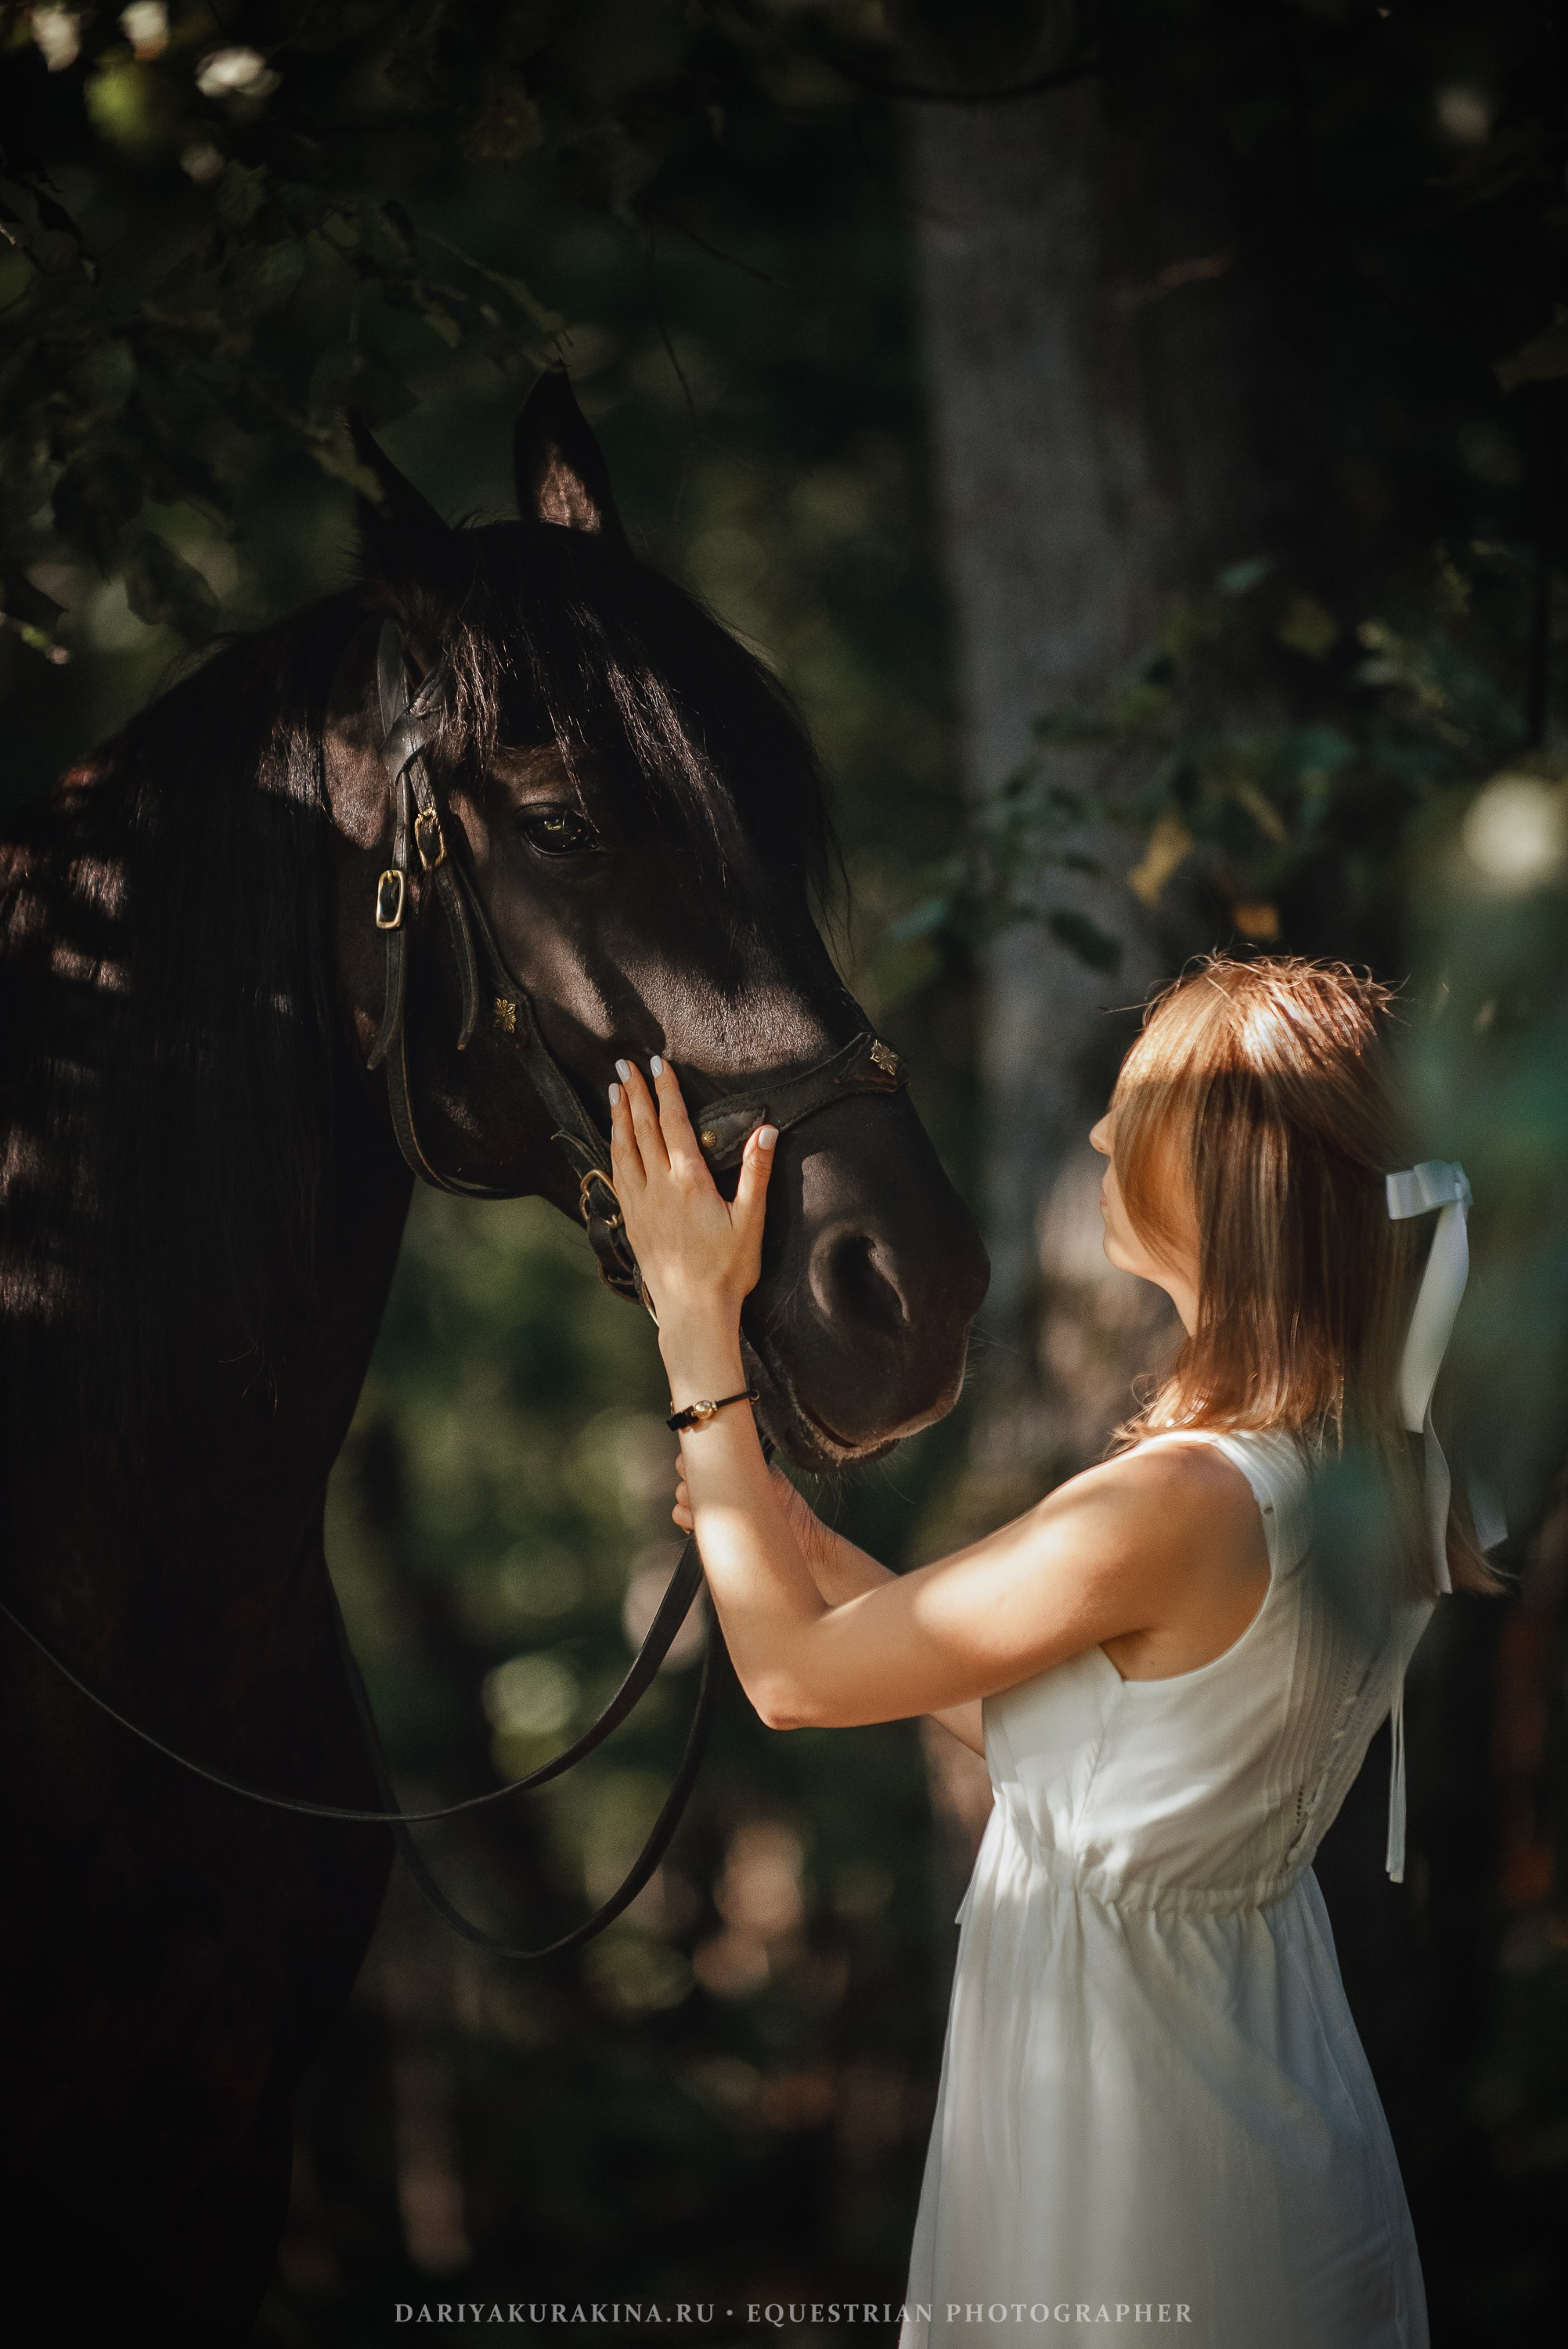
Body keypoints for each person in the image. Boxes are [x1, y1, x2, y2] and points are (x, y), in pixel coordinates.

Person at [605, 953, 1496, 2349]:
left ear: (1228, 1177)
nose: (1094, 1136)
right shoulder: (1369, 1467)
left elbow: (788, 1683)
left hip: (1135, 2135)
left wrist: (691, 1328)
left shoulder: (1180, 1501)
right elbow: (1092, 1761)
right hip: (1255, 2080)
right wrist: (791, 1537)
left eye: (1133, 1111)